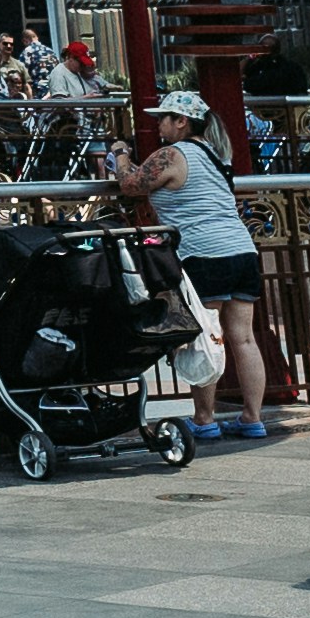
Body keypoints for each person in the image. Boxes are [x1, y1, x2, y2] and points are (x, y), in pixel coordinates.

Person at [110, 89, 278, 441]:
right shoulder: (215, 152)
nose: (159, 125)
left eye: (164, 118)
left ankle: (204, 419)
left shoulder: (171, 154)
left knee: (206, 337)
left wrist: (120, 153)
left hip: (203, 255)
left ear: (181, 121)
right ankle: (252, 418)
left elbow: (129, 185)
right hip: (242, 250)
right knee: (244, 339)